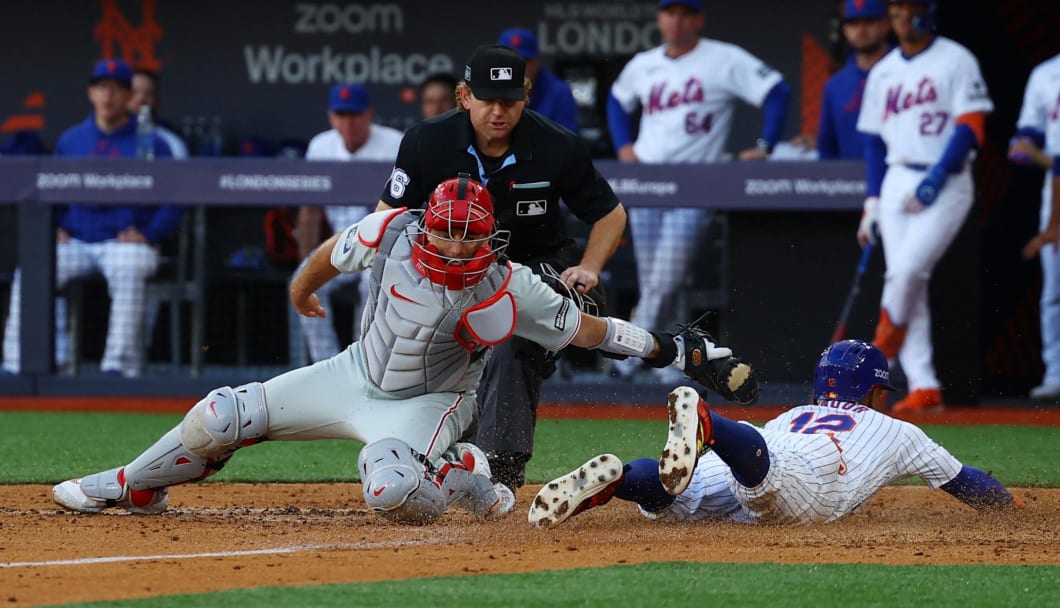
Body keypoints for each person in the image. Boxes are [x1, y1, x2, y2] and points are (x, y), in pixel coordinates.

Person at [51, 175, 753, 526]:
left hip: (432, 401)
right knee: (221, 415)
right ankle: (137, 486)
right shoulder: (391, 231)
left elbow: (596, 334)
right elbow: (333, 250)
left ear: (488, 238)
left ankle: (469, 475)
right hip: (352, 371)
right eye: (445, 231)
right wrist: (302, 288)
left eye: (467, 236)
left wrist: (675, 349)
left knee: (389, 489)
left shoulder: (513, 286)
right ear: (427, 225)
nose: (454, 244)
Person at [373, 44, 628, 488]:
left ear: (526, 95)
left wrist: (589, 266)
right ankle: (438, 456)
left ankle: (501, 470)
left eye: (509, 100)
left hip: (541, 267)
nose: (498, 111)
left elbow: (610, 215)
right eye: (487, 99)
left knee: (511, 329)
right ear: (464, 96)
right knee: (434, 351)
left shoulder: (557, 144)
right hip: (453, 271)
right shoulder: (426, 141)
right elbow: (387, 218)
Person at [529, 339, 1021, 528]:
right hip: (803, 473)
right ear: (874, 391)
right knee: (770, 489)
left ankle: (620, 480)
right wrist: (1007, 505)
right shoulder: (899, 429)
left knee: (681, 497)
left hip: (765, 445)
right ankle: (709, 423)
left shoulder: (795, 413)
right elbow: (968, 482)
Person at [606, 0, 791, 383]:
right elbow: (616, 101)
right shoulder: (644, 63)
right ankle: (672, 363)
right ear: (659, 18)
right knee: (656, 278)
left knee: (663, 279)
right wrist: (624, 146)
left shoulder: (723, 58)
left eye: (685, 13)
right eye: (670, 12)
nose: (676, 21)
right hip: (649, 184)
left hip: (695, 184)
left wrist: (766, 143)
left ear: (698, 19)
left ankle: (628, 354)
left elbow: (777, 90)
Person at [854, 0, 992, 411]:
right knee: (909, 281)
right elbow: (874, 142)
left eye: (907, 9)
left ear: (926, 13)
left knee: (907, 272)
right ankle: (924, 383)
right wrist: (873, 200)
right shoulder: (884, 70)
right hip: (897, 176)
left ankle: (874, 363)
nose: (901, 18)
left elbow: (972, 126)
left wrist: (938, 174)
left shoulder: (956, 58)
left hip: (946, 179)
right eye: (895, 10)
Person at [2, 58, 178, 378]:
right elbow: (48, 190)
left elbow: (175, 198)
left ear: (128, 96)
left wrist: (150, 233)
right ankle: (25, 363)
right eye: (101, 88)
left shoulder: (152, 142)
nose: (108, 96)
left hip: (123, 242)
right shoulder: (72, 140)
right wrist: (52, 229)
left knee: (129, 265)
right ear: (91, 94)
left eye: (116, 89)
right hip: (78, 241)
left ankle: (118, 367)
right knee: (34, 267)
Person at [294, 83, 403, 362]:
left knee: (371, 282)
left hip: (381, 247)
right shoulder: (321, 145)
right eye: (341, 115)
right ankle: (325, 364)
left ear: (369, 114)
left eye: (354, 115)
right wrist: (308, 258)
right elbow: (309, 211)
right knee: (301, 279)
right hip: (337, 245)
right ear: (331, 116)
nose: (348, 123)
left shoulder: (395, 143)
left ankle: (363, 361)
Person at [1008, 0, 1060, 403]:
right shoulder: (1049, 76)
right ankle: (1056, 374)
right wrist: (1030, 152)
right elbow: (1028, 140)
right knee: (1057, 287)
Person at [817, 0, 893, 160]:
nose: (861, 30)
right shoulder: (835, 85)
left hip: (900, 177)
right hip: (850, 181)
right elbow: (827, 147)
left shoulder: (908, 72)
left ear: (886, 24)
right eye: (853, 23)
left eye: (869, 22)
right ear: (844, 29)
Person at [498, 27, 579, 134]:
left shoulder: (559, 92)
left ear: (537, 62)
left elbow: (567, 143)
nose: (515, 67)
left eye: (523, 61)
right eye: (508, 60)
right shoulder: (486, 89)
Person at [127, 67, 189, 159]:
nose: (141, 99)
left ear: (157, 99)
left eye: (149, 93)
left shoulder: (171, 141)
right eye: (134, 92)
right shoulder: (107, 134)